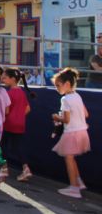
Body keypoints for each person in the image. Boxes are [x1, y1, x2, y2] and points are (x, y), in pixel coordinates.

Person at [51, 68, 90, 199]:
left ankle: (74, 188)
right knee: (71, 158)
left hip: (72, 133)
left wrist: (57, 117)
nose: (56, 89)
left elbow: (66, 119)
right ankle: (78, 182)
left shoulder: (65, 99)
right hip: (82, 132)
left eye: (58, 85)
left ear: (67, 84)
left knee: (69, 159)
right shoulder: (77, 96)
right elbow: (86, 114)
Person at [1, 68, 35, 182]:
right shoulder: (21, 92)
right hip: (20, 123)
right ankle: (26, 169)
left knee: (3, 146)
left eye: (5, 77)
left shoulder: (9, 93)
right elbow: (28, 109)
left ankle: (4, 169)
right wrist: (19, 116)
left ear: (13, 79)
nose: (2, 79)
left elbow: (6, 110)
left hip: (8, 123)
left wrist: (10, 116)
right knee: (18, 147)